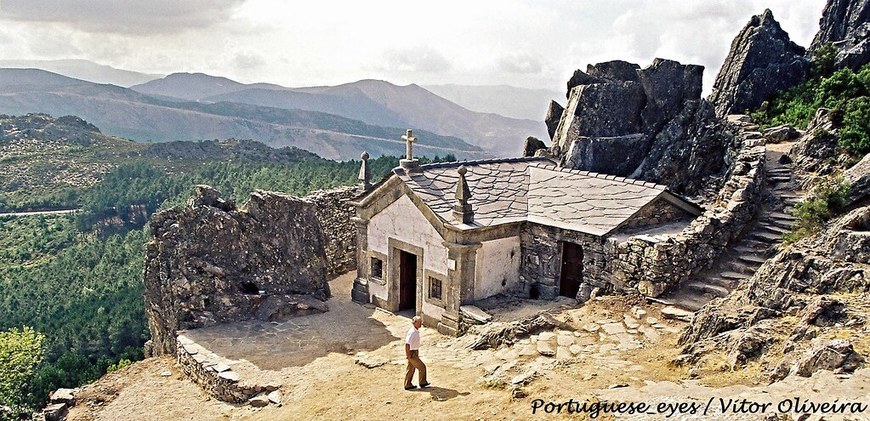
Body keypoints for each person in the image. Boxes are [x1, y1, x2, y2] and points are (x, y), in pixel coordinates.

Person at [404, 316, 429, 390]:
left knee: (411, 368)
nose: (421, 323)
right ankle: (422, 382)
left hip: (414, 352)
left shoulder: (415, 331)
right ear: (415, 323)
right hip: (412, 353)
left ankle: (407, 384)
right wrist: (408, 355)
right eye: (419, 322)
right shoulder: (412, 332)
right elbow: (407, 344)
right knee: (422, 367)